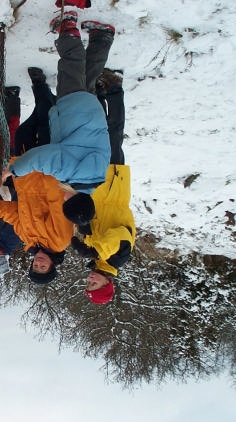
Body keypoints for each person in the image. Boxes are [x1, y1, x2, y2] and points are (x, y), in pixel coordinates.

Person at [5, 11, 115, 194]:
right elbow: (39, 158)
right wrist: (13, 170)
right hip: (73, 110)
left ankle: (101, 38)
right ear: (71, 199)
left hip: (92, 113)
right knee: (71, 65)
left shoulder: (97, 175)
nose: (62, 199)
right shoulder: (69, 172)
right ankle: (67, 28)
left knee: (87, 77)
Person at [63, 65, 135, 305]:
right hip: (113, 185)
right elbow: (121, 235)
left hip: (98, 189)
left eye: (88, 283)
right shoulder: (117, 259)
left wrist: (83, 228)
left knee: (97, 135)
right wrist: (94, 251)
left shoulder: (99, 258)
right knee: (113, 133)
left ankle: (100, 94)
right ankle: (115, 87)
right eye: (95, 283)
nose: (90, 279)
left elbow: (94, 227)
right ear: (107, 284)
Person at [0, 171, 73, 284]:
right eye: (43, 267)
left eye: (35, 266)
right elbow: (58, 200)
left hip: (22, 175)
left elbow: (14, 214)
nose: (39, 263)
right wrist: (47, 169)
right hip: (43, 169)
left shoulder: (28, 240)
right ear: (52, 265)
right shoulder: (60, 240)